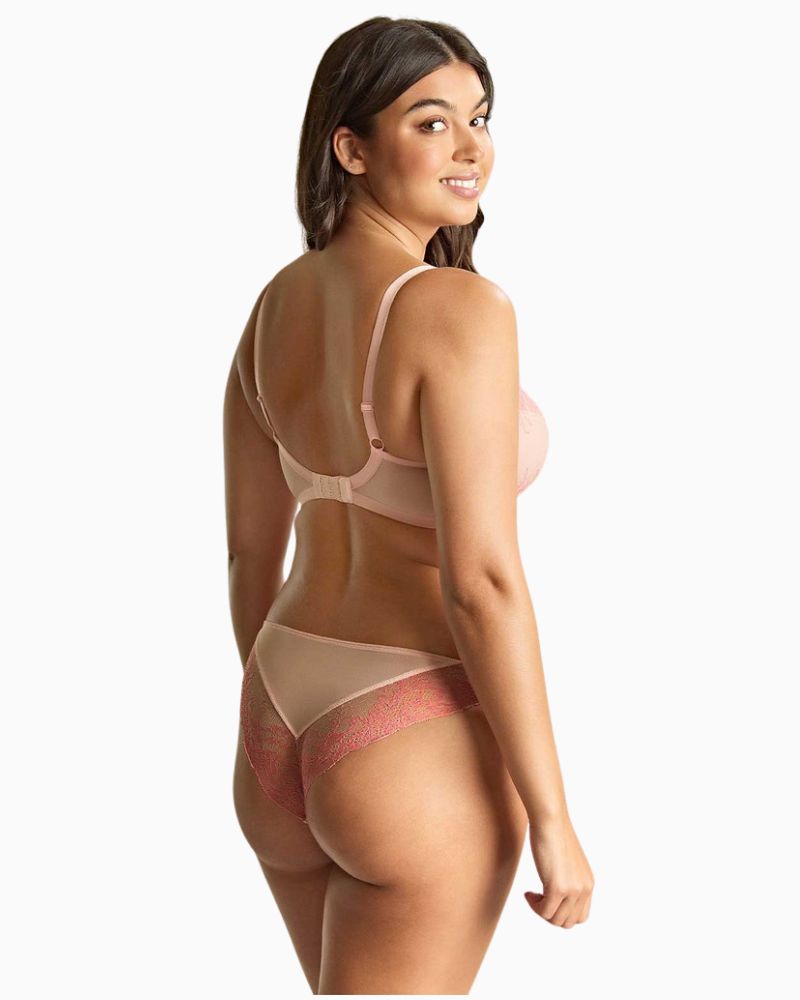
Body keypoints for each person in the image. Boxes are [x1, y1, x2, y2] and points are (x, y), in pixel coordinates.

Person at [223, 16, 594, 995]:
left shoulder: (274, 308)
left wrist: (285, 732)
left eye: (480, 118)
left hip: (278, 711)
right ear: (350, 148)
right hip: (405, 729)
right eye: (431, 123)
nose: (471, 147)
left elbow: (248, 553)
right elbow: (481, 582)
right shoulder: (458, 308)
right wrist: (553, 819)